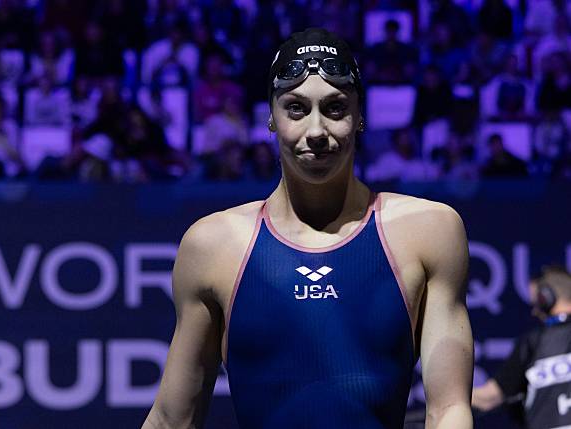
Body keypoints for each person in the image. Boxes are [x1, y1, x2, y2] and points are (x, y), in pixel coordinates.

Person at [141, 28, 473, 429]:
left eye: (335, 108)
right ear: (270, 118)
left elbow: (449, 410)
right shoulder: (213, 245)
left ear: (360, 116)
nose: (316, 132)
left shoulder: (427, 231)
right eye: (296, 109)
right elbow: (172, 420)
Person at [472, 266, 571, 429]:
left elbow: (488, 398)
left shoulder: (534, 342)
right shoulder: (533, 342)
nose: (534, 312)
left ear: (546, 298)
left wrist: (444, 398)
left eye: (536, 303)